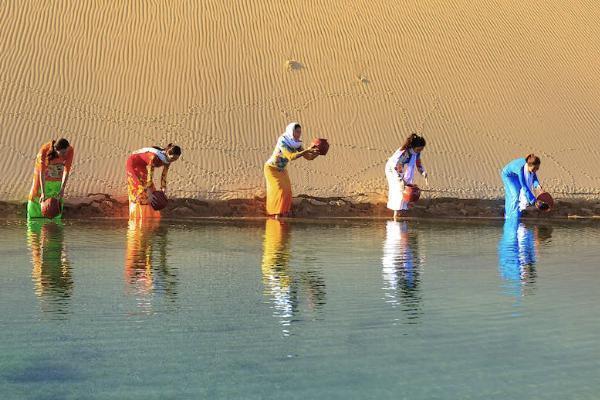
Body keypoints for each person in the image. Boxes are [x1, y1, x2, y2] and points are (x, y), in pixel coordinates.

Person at [264, 122, 319, 218]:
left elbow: (308, 157)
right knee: (280, 190)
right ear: (291, 131)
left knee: (288, 191)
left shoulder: (297, 144)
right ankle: (275, 213)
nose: (299, 134)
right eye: (296, 132)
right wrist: (306, 150)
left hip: (282, 170)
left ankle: (283, 213)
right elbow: (290, 157)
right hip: (271, 169)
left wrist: (317, 152)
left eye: (300, 132)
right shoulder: (283, 141)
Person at [126, 144, 181, 220]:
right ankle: (136, 215)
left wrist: (163, 188)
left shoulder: (168, 159)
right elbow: (150, 176)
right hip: (133, 164)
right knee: (140, 187)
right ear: (167, 153)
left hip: (142, 165)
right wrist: (149, 192)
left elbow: (164, 175)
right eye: (172, 158)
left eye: (175, 159)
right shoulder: (154, 157)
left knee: (150, 190)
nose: (173, 160)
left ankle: (148, 214)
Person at [28, 138, 74, 219]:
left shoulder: (69, 150)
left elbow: (66, 171)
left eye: (66, 151)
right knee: (36, 196)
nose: (65, 154)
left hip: (57, 175)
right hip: (43, 175)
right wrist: (43, 193)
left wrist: (62, 189)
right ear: (56, 150)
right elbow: (41, 173)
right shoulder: (44, 151)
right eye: (63, 152)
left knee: (57, 197)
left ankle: (55, 221)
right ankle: (34, 220)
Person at [385, 133, 428, 220]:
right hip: (392, 169)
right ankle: (396, 214)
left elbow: (418, 163)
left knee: (405, 186)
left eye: (422, 149)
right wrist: (401, 180)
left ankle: (401, 209)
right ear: (414, 147)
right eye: (419, 149)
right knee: (399, 189)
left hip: (397, 168)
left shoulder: (416, 153)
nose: (420, 150)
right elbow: (397, 167)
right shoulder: (406, 153)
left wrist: (423, 172)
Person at [501, 154, 545, 220]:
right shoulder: (521, 170)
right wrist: (534, 201)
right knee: (515, 195)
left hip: (516, 175)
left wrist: (538, 186)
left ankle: (517, 213)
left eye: (537, 169)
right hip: (508, 176)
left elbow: (534, 178)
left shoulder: (531, 167)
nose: (535, 170)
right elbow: (525, 187)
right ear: (529, 165)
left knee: (519, 196)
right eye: (534, 169)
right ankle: (509, 216)